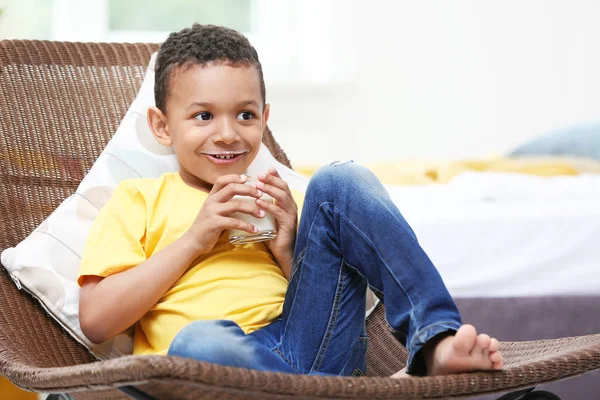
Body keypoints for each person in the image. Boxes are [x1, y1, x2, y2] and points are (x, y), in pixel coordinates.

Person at [78, 23, 503, 377]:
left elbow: (330, 301)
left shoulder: (287, 202)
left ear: (264, 118)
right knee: (199, 339)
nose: (227, 133)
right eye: (203, 115)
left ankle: (434, 339)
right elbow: (97, 322)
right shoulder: (139, 199)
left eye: (245, 114)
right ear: (162, 126)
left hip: (312, 353)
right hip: (212, 368)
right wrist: (194, 239)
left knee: (341, 179)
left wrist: (288, 247)